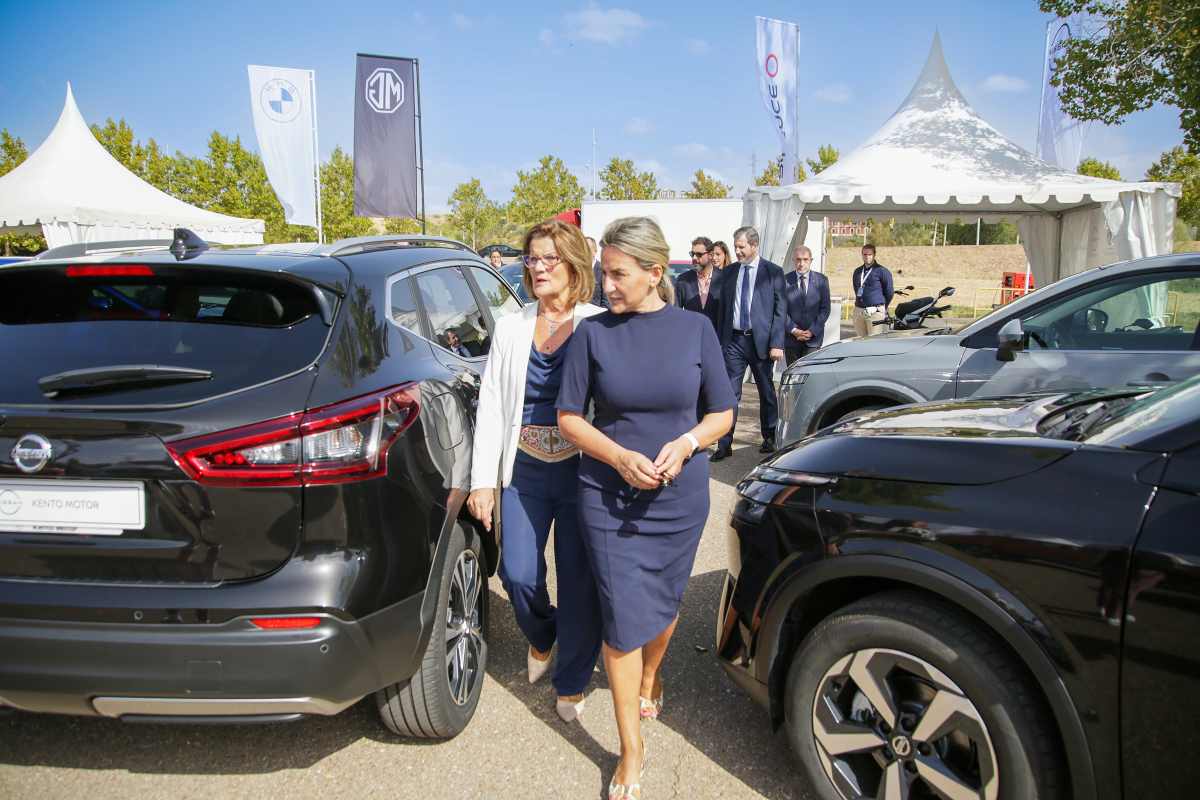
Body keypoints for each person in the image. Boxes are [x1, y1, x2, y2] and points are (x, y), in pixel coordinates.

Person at [557, 216, 734, 800]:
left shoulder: (695, 330)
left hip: (679, 499)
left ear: (656, 273)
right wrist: (617, 456)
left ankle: (652, 674)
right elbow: (569, 419)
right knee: (622, 615)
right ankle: (631, 750)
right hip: (608, 495)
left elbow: (722, 414)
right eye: (604, 272)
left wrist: (687, 443)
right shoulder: (591, 334)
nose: (605, 285)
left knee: (663, 605)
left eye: (618, 274)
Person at [467, 219, 605, 723]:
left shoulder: (598, 323)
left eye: (550, 258)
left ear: (573, 265)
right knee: (518, 573)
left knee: (577, 578)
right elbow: (492, 405)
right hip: (523, 469)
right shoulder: (511, 325)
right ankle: (545, 635)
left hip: (580, 473)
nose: (539, 267)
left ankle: (570, 680)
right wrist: (483, 480)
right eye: (533, 258)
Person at [712, 226, 786, 459]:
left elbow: (779, 311)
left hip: (760, 343)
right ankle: (724, 443)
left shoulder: (773, 272)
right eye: (735, 247)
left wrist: (777, 343)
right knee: (730, 393)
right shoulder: (729, 272)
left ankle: (769, 437)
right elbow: (722, 309)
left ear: (754, 246)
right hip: (733, 341)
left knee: (766, 391)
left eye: (741, 247)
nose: (737, 251)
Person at [783, 245, 831, 364]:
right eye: (798, 259)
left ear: (811, 260)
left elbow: (825, 309)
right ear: (793, 260)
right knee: (794, 375)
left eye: (805, 259)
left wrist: (812, 330)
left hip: (813, 339)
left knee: (810, 375)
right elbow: (780, 310)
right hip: (791, 339)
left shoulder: (822, 280)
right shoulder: (784, 280)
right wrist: (794, 330)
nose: (801, 263)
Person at [674, 236, 721, 328]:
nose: (694, 258)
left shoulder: (724, 279)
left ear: (710, 255)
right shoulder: (683, 280)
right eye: (692, 254)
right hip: (690, 337)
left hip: (715, 338)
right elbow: (676, 312)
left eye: (699, 254)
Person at [851, 244, 894, 337]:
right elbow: (856, 289)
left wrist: (882, 307)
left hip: (875, 312)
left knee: (875, 342)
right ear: (862, 255)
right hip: (859, 311)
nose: (867, 257)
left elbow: (889, 292)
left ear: (874, 255)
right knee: (860, 342)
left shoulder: (882, 271)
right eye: (865, 254)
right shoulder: (857, 271)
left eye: (869, 254)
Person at [587, 236, 609, 309]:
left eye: (588, 249)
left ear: (595, 251)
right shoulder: (576, 270)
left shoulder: (603, 270)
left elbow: (606, 302)